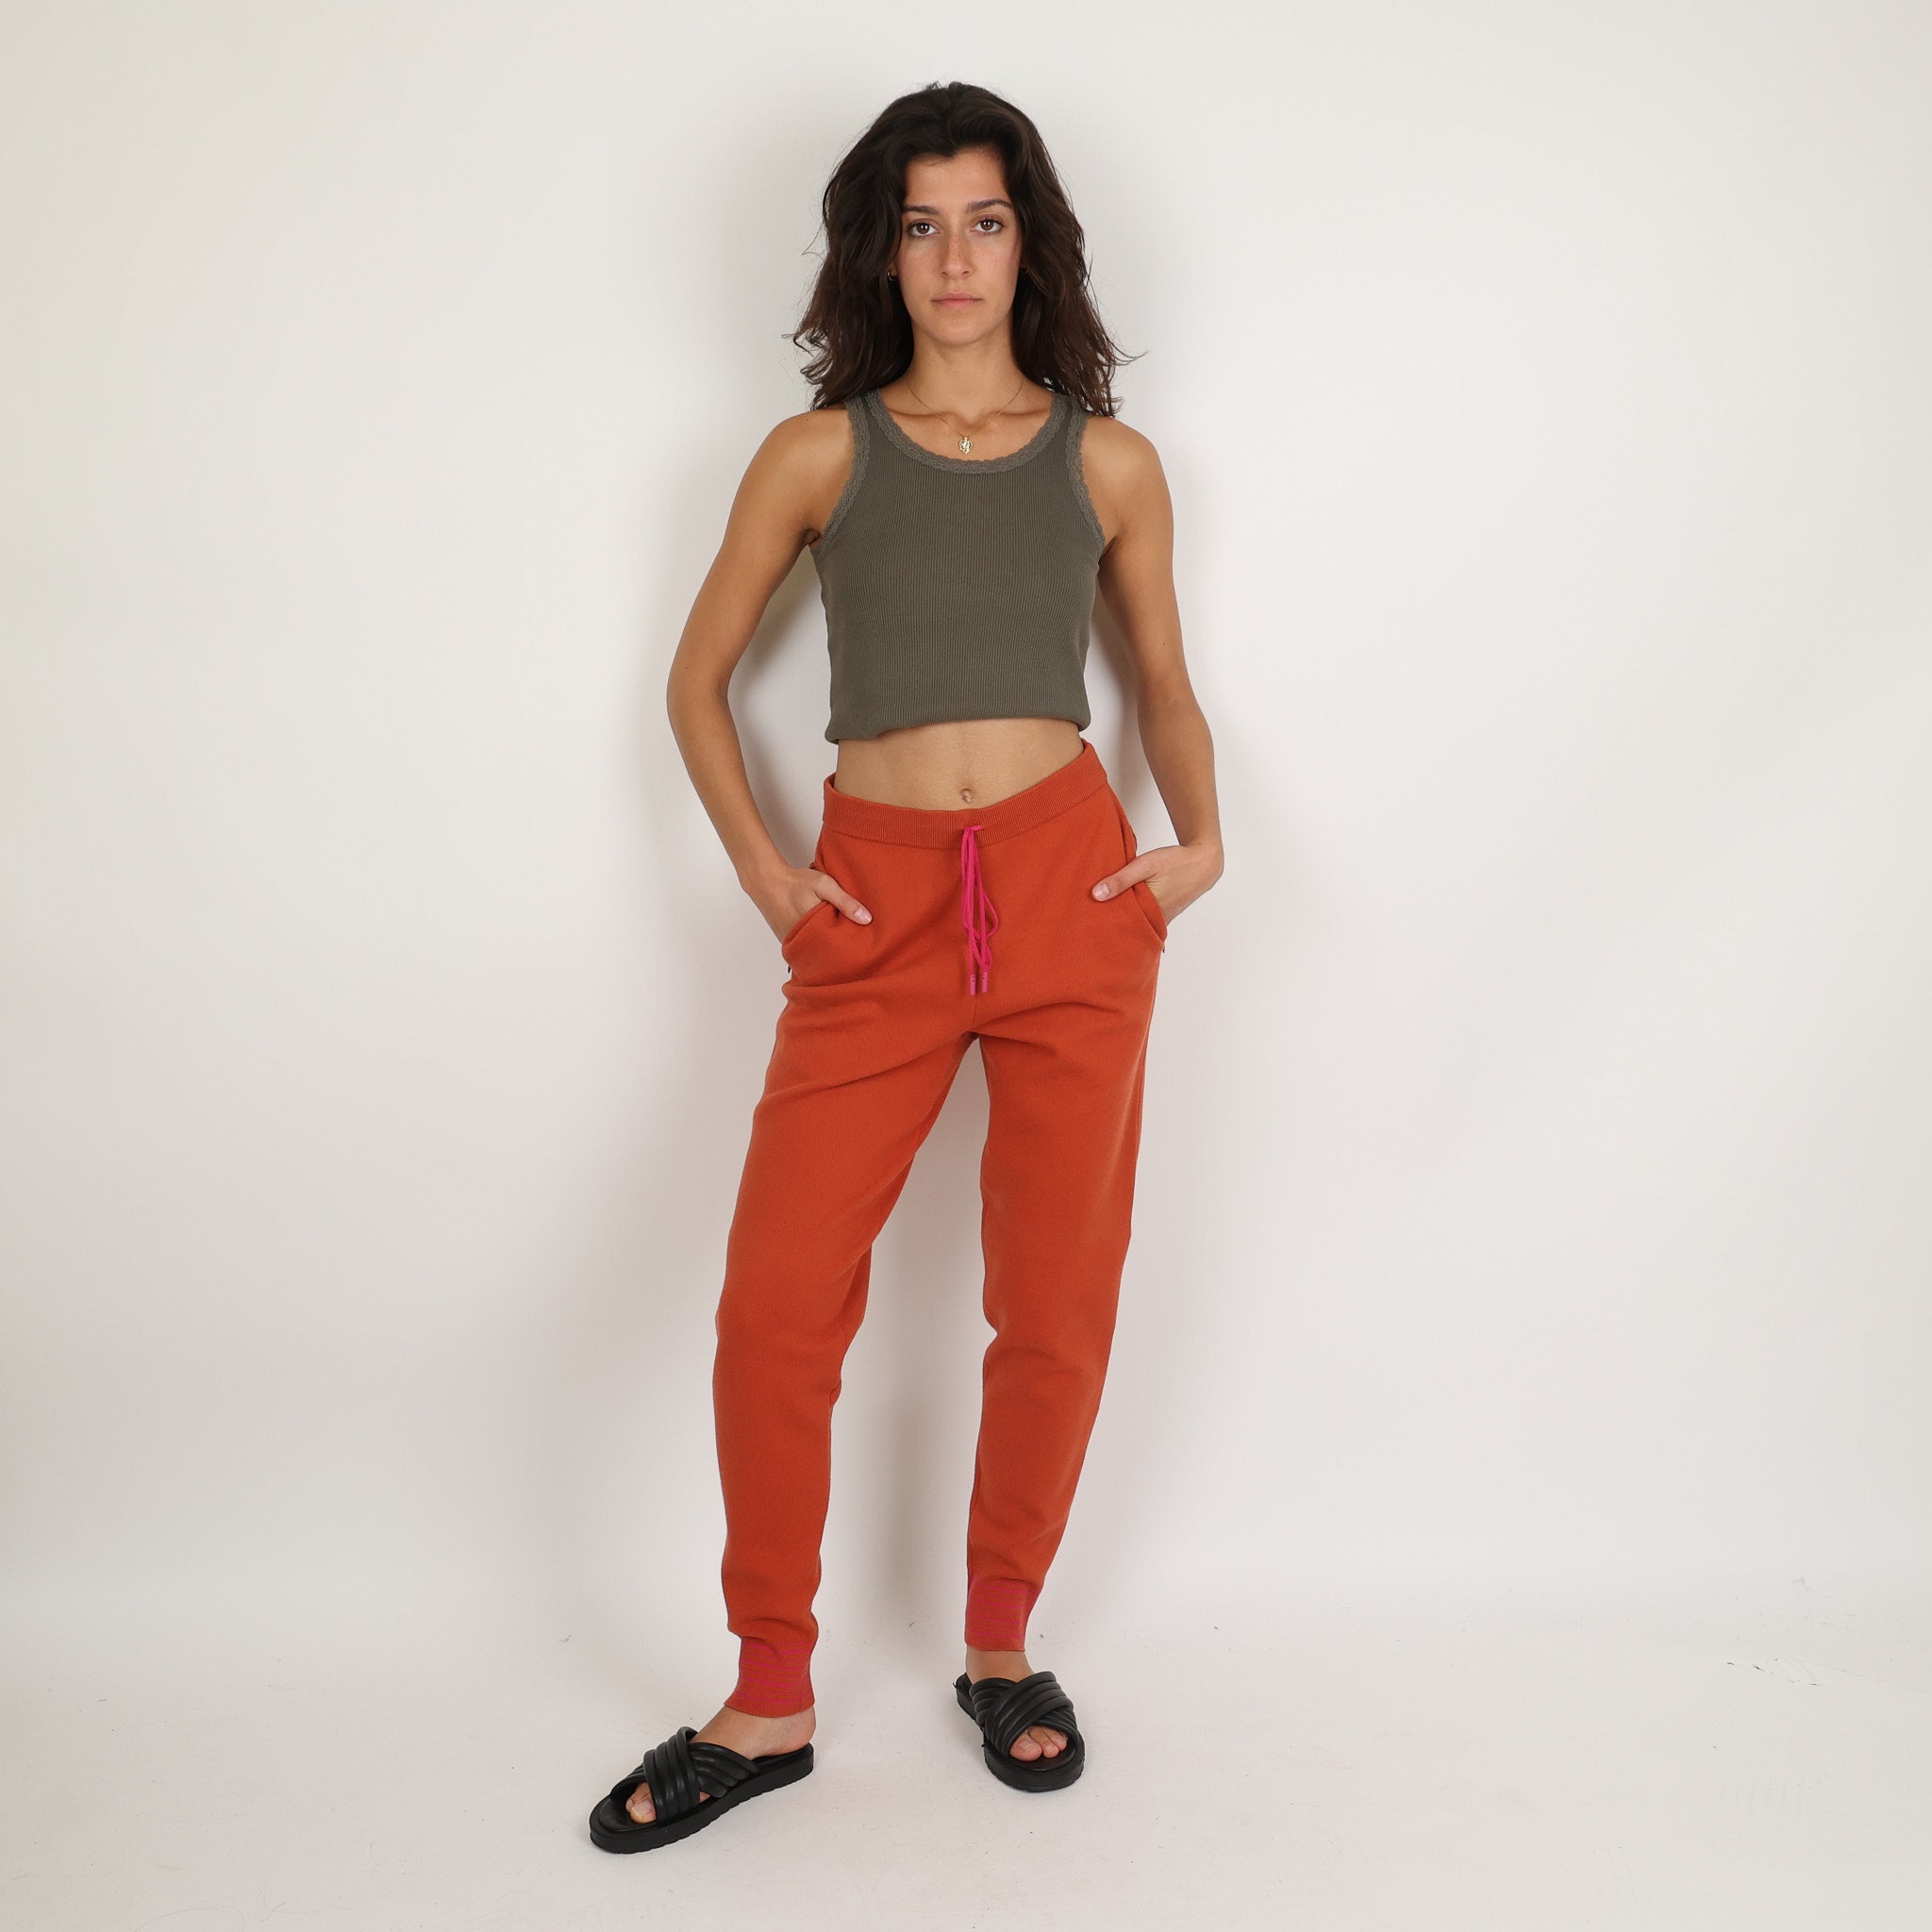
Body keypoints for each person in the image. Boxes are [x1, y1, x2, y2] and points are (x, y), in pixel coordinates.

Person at [589, 80, 1224, 1853]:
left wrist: (1199, 842)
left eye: (986, 221)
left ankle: (1002, 1646)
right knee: (776, 1306)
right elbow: (695, 682)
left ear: (1032, 243)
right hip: (867, 913)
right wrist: (771, 879)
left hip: (1074, 893)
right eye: (923, 224)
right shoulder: (817, 454)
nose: (955, 257)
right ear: (883, 249)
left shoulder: (1107, 463)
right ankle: (769, 1694)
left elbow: (1166, 685)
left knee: (1056, 1301)